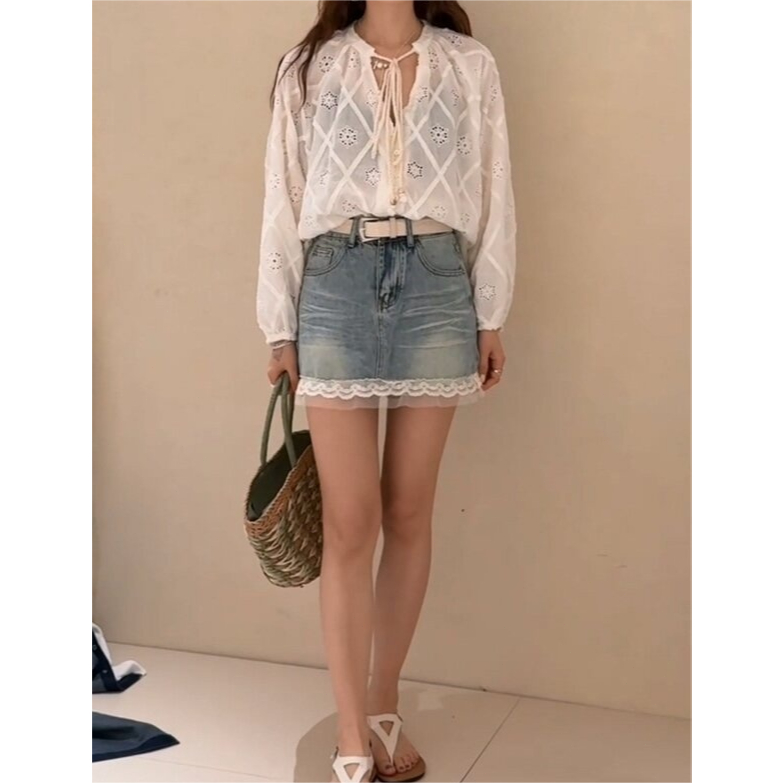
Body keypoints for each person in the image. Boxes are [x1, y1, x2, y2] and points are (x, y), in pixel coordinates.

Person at [256, 2, 516, 780]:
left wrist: (490, 312)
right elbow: (281, 193)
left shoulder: (468, 65)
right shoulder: (308, 66)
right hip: (333, 284)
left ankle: (381, 702)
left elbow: (494, 185)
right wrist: (278, 326)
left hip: (437, 285)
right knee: (350, 521)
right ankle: (348, 732)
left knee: (407, 511)